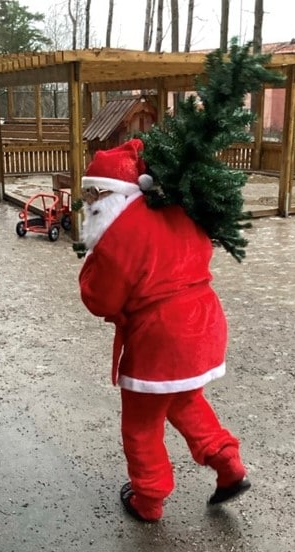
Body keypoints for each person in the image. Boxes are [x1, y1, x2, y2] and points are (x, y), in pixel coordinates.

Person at [78, 138, 251, 522]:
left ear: (115, 194)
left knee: (141, 425)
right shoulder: (176, 208)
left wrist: (91, 263)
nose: (87, 202)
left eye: (93, 192)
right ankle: (228, 463)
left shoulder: (117, 234)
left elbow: (101, 300)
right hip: (204, 324)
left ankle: (148, 499)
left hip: (161, 339)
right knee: (185, 401)